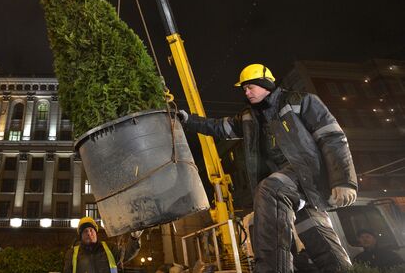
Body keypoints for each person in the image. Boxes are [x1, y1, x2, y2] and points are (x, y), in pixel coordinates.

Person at [178, 64, 357, 273]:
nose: (246, 92)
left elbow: (332, 137)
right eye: (243, 89)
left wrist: (343, 181)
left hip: (306, 174)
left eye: (251, 87)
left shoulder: (300, 101)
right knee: (314, 231)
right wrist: (189, 120)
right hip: (291, 188)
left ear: (267, 85)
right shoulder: (248, 117)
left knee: (270, 189)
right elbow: (219, 127)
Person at [63, 216, 142, 273]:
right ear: (81, 236)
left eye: (91, 230)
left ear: (96, 232)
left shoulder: (109, 248)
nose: (89, 233)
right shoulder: (72, 254)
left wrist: (134, 238)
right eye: (85, 231)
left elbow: (126, 254)